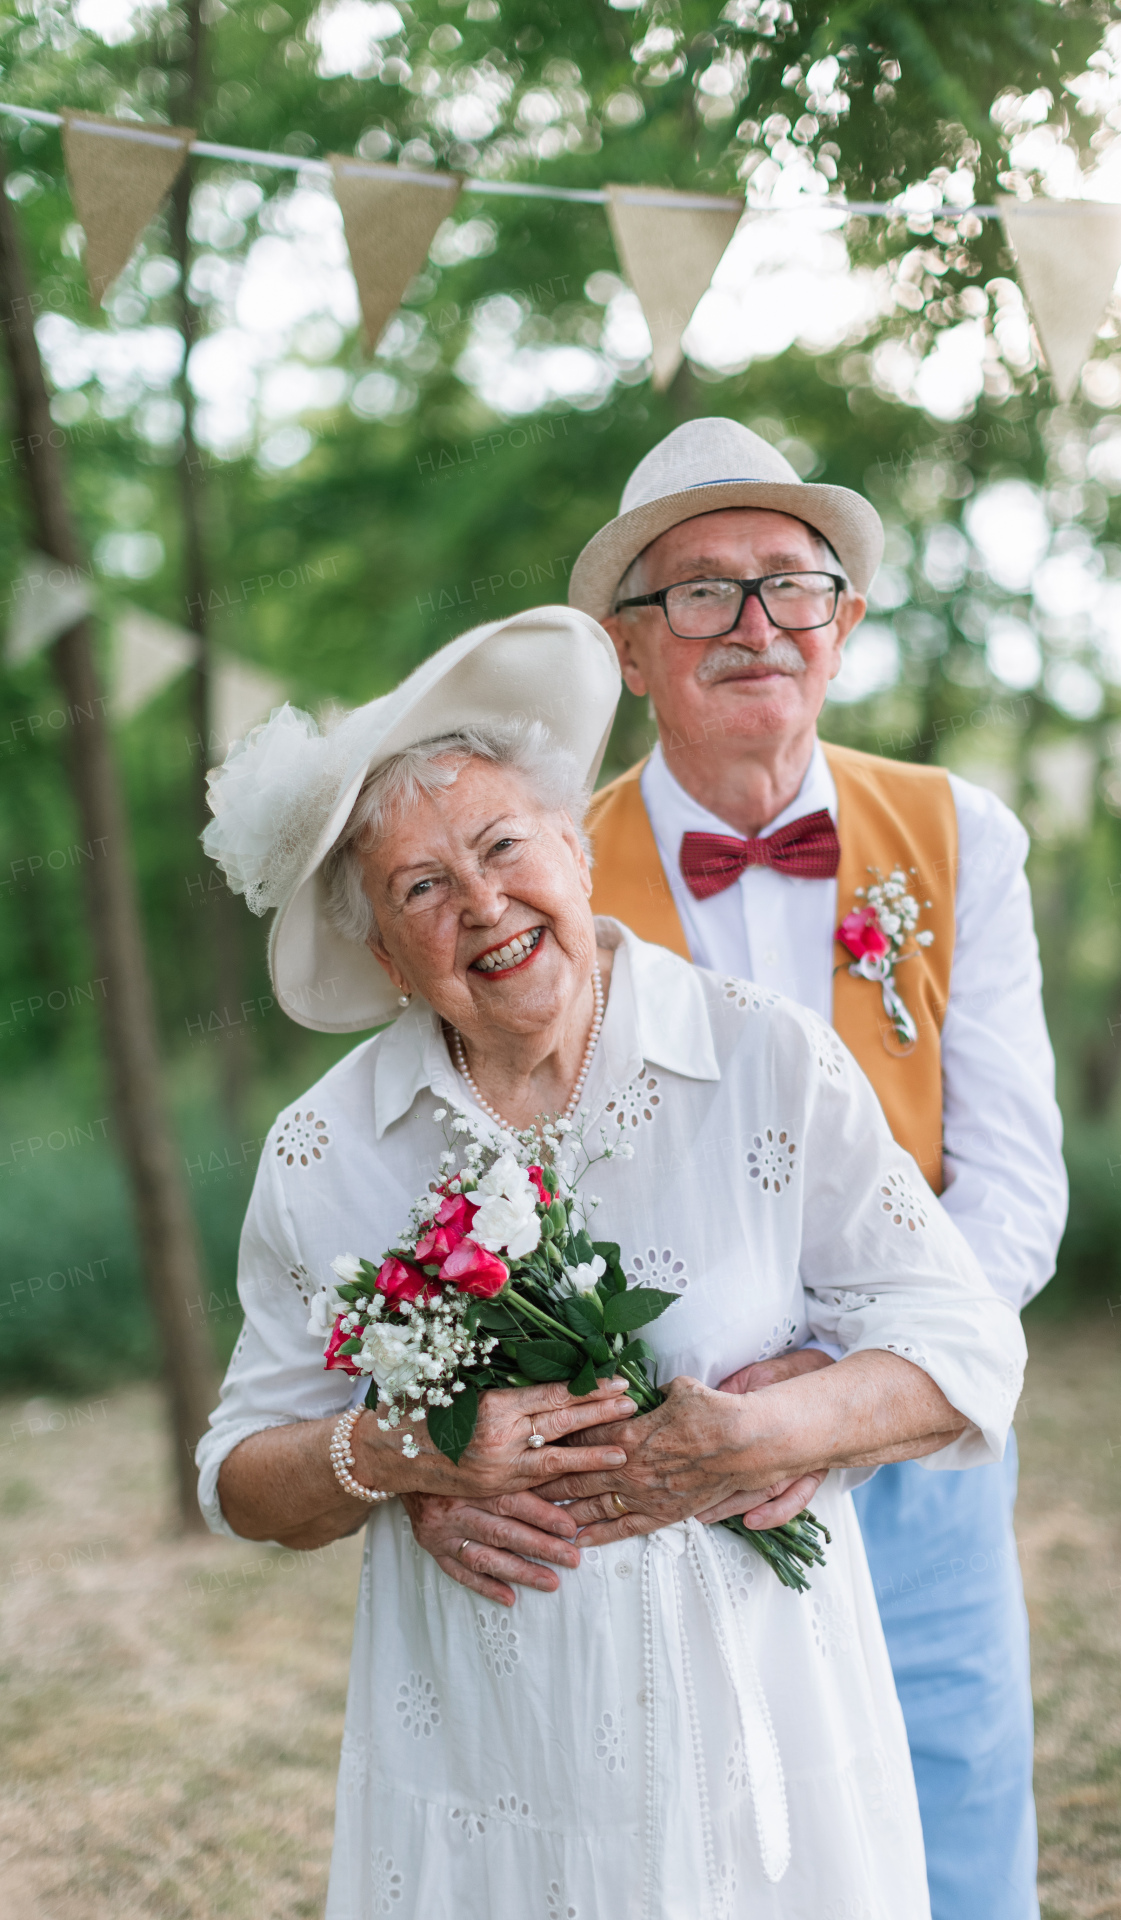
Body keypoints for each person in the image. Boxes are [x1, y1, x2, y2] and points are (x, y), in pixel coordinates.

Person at [195, 606, 1028, 1920]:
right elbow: (242, 1479)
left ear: (577, 851)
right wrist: (404, 1453)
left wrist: (778, 1428)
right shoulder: (326, 1149)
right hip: (484, 1765)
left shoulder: (768, 1061)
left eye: (501, 845)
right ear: (386, 958)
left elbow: (969, 1346)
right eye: (421, 888)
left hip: (762, 1756)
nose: (481, 903)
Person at [411, 421, 1068, 1920]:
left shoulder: (964, 833)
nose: (755, 624)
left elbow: (1016, 1173)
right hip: (661, 1455)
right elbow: (476, 1182)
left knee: (956, 1814)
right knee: (696, 1852)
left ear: (839, 623)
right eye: (700, 593)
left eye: (790, 584)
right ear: (630, 653)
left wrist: (847, 1389)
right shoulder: (543, 863)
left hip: (915, 1438)